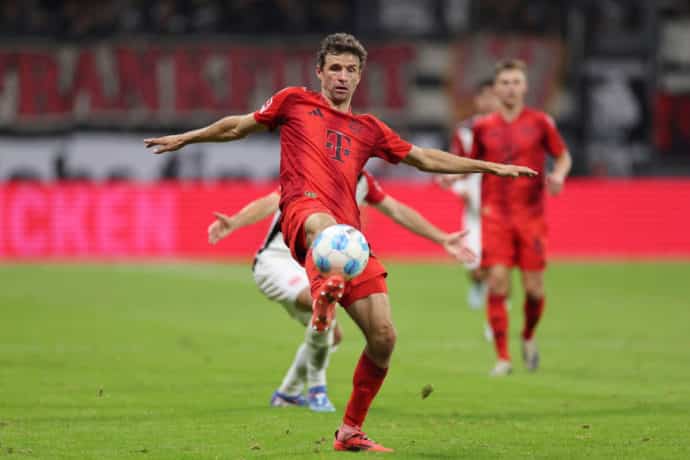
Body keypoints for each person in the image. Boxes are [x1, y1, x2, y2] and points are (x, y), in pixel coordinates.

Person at [145, 33, 536, 453]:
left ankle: (350, 429)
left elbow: (423, 157)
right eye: (335, 68)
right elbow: (237, 126)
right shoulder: (294, 102)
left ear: (360, 76)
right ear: (320, 72)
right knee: (323, 226)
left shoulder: (368, 130)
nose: (343, 77)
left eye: (351, 70)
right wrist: (188, 137)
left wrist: (490, 167)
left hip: (351, 239)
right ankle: (323, 292)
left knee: (384, 335)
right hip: (304, 216)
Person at [207, 170, 475, 414]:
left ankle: (287, 393)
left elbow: (398, 210)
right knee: (322, 303)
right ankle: (317, 389)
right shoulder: (310, 171)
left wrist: (441, 237)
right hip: (277, 261)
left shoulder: (363, 181)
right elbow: (270, 201)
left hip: (317, 264)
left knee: (331, 334)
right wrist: (234, 222)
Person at [467, 59, 572, 377]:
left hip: (531, 217)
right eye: (505, 82)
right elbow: (473, 164)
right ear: (496, 88)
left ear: (525, 87)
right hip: (495, 215)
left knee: (534, 289)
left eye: (516, 82)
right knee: (497, 281)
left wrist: (559, 175)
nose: (511, 88)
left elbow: (563, 155)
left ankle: (527, 336)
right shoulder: (483, 127)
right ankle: (503, 357)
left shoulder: (540, 123)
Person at [437, 79, 500, 344]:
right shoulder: (465, 131)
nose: (488, 101)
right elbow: (457, 165)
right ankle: (476, 283)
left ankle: (495, 323)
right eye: (483, 96)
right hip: (474, 207)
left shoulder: (509, 129)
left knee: (497, 267)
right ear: (477, 100)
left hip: (500, 207)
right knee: (475, 265)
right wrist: (456, 184)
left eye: (492, 96)